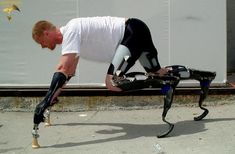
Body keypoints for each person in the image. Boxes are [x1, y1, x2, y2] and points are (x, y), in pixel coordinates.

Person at [32, 16, 168, 124]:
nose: (43, 46)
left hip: (133, 34)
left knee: (112, 82)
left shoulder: (71, 30)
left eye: (41, 42)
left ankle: (156, 83)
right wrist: (51, 98)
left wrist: (44, 101)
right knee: (157, 72)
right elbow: (67, 73)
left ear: (46, 33)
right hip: (136, 31)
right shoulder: (72, 40)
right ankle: (181, 75)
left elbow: (62, 67)